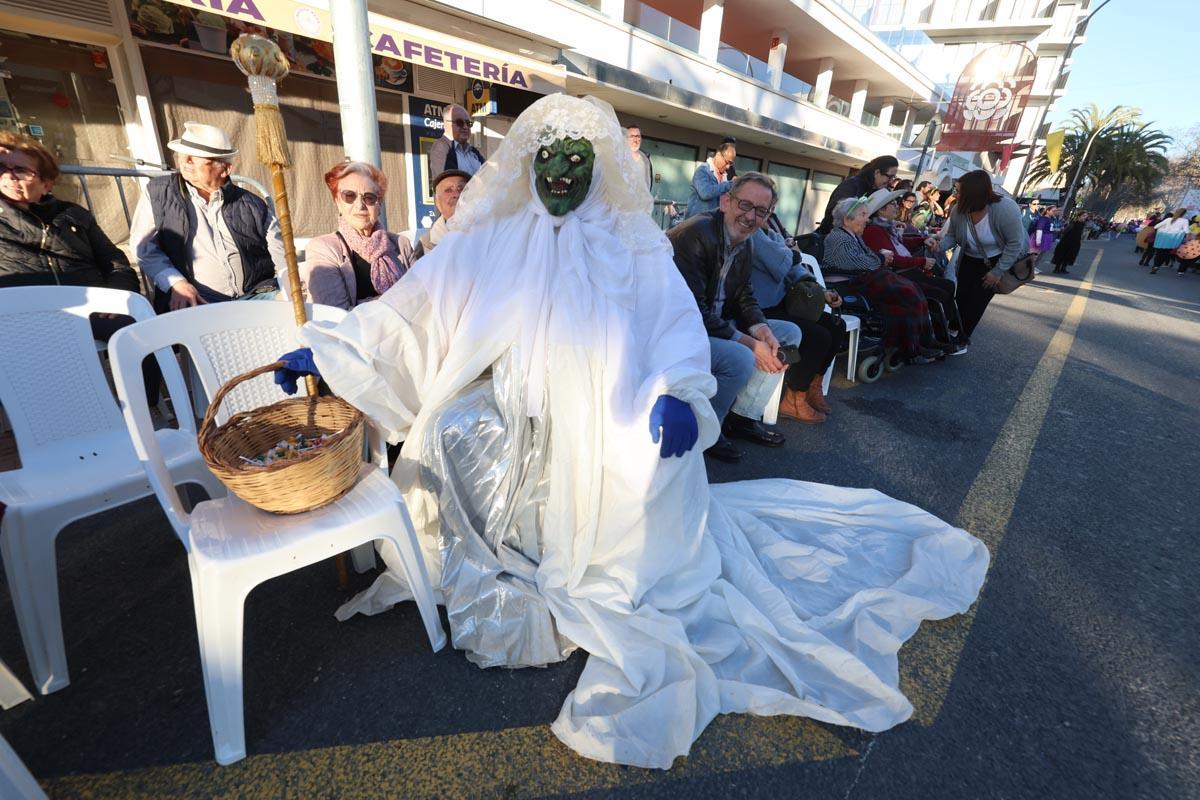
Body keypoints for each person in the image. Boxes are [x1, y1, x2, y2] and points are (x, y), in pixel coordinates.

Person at [271, 93, 988, 771]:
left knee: (640, 463)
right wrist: (338, 351)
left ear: (595, 170)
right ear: (527, 166)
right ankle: (487, 561)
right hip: (506, 399)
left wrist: (678, 388)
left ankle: (569, 554)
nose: (559, 177)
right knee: (447, 435)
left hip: (607, 402)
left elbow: (672, 320)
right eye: (547, 163)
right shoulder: (492, 236)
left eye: (574, 164)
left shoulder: (630, 242)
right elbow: (416, 306)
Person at [0, 131, 159, 404]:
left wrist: (116, 297)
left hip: (91, 310)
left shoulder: (74, 214)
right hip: (26, 318)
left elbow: (115, 261)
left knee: (140, 330)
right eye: (2, 168)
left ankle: (142, 409)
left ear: (47, 183)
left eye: (20, 170)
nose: (9, 175)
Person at [667, 173, 801, 462]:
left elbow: (744, 296)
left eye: (761, 211)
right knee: (740, 357)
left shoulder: (746, 240)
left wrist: (763, 331)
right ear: (725, 200)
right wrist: (751, 346)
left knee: (788, 334)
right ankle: (706, 431)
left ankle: (739, 418)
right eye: (745, 204)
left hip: (715, 323)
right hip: (679, 331)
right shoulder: (695, 234)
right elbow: (692, 312)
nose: (751, 216)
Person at [130, 121, 286, 312]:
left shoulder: (252, 203)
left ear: (225, 169)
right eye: (183, 156)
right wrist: (176, 282)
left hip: (257, 295)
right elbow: (143, 247)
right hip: (197, 300)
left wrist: (288, 288)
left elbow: (280, 250)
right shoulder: (159, 193)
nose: (186, 162)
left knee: (293, 311)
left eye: (196, 158)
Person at [822, 196, 944, 365]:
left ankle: (921, 342)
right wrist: (881, 257)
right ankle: (915, 347)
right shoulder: (837, 237)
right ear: (847, 219)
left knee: (912, 293)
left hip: (862, 278)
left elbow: (868, 258)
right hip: (850, 282)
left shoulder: (853, 236)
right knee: (909, 293)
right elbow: (860, 262)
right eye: (863, 215)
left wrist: (879, 257)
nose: (867, 219)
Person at [749, 213, 847, 422]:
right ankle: (793, 398)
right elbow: (783, 262)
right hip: (756, 308)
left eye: (769, 205)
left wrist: (820, 290)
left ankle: (812, 386)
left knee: (836, 325)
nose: (766, 211)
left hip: (780, 302)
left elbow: (794, 266)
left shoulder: (772, 229)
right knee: (817, 336)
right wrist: (791, 251)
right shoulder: (752, 232)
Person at [295, 161, 413, 310]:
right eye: (349, 196)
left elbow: (424, 292)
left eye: (369, 197)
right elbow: (335, 313)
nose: (360, 205)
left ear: (379, 205)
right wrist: (401, 301)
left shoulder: (401, 244)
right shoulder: (323, 249)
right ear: (338, 202)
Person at [861, 189, 966, 354]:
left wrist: (923, 240)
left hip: (904, 271)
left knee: (946, 287)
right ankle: (935, 337)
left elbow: (900, 244)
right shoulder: (875, 230)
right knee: (940, 292)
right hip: (899, 273)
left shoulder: (885, 227)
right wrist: (922, 260)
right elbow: (892, 258)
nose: (897, 206)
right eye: (893, 204)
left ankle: (942, 334)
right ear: (881, 210)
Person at [931, 169, 1026, 344]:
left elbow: (1015, 243)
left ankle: (962, 339)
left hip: (996, 260)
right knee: (960, 296)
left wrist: (998, 271)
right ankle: (951, 331)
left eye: (959, 191)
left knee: (976, 302)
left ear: (973, 194)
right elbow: (952, 236)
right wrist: (938, 246)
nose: (955, 194)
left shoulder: (1005, 209)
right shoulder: (958, 210)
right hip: (968, 258)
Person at [817, 155, 899, 234]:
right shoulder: (852, 185)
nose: (891, 181)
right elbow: (835, 215)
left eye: (893, 177)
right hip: (833, 238)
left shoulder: (873, 189)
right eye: (890, 176)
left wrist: (888, 223)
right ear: (877, 172)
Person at [413, 169, 469, 260]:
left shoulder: (488, 232)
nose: (456, 194)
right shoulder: (426, 245)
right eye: (448, 190)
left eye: (462, 188)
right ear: (437, 202)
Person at [427, 104, 484, 177]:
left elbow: (488, 173)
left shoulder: (473, 151)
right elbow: (452, 183)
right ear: (446, 124)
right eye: (459, 122)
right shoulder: (441, 148)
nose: (465, 127)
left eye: (468, 123)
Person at [685, 139, 735, 218]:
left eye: (731, 164)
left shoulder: (726, 176)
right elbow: (705, 193)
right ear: (718, 155)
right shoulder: (703, 170)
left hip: (713, 223)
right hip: (696, 223)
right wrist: (730, 184)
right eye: (727, 162)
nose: (728, 167)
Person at [1148, 208, 1190, 274]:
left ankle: (1155, 266)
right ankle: (1158, 265)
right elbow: (1187, 232)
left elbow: (1156, 226)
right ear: (1184, 214)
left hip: (1162, 238)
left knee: (1159, 253)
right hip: (1173, 240)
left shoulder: (1168, 219)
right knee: (1166, 254)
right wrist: (1187, 241)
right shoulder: (1185, 221)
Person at [1051, 210, 1087, 274]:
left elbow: (1080, 233)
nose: (1085, 217)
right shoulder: (1073, 223)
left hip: (1075, 242)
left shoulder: (1083, 224)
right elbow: (1065, 231)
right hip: (1066, 241)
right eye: (1083, 216)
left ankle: (1063, 269)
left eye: (1086, 216)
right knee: (1062, 255)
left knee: (1070, 255)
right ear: (1079, 216)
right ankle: (1057, 269)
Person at [1029, 205, 1058, 272]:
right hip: (1042, 237)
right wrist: (1038, 240)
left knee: (1041, 254)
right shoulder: (1043, 219)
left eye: (1055, 211)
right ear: (1047, 211)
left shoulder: (1051, 219)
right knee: (1035, 254)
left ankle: (1034, 267)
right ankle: (1030, 269)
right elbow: (1039, 229)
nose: (1055, 212)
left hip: (1047, 237)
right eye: (1053, 211)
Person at [625, 126, 654, 190]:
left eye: (638, 136)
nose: (635, 140)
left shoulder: (645, 160)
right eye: (632, 136)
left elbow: (648, 182)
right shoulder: (619, 157)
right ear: (625, 139)